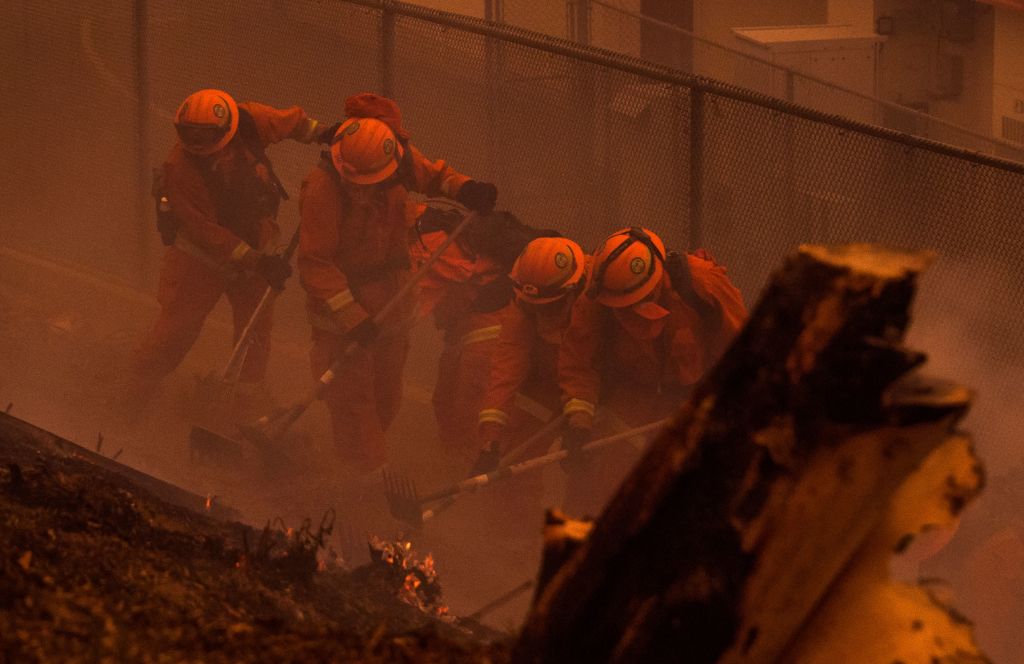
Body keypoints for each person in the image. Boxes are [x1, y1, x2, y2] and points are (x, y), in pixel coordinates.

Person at [297, 93, 497, 474]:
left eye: (367, 182)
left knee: (386, 398)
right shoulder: (323, 189)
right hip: (344, 314)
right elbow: (315, 263)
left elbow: (436, 177)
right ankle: (364, 481)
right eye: (352, 182)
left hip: (393, 305)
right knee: (354, 402)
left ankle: (360, 465)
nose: (359, 189)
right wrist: (352, 317)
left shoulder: (398, 162)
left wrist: (466, 189)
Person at [129, 88, 331, 409]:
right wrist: (259, 262)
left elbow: (292, 124)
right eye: (189, 133)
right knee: (176, 330)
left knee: (254, 333)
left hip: (255, 246)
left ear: (225, 128)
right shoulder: (180, 169)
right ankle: (134, 391)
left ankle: (243, 404)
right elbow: (206, 232)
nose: (196, 141)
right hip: (199, 260)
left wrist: (325, 134)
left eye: (203, 134)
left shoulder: (248, 120)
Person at [557, 226, 747, 514]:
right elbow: (578, 364)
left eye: (632, 306)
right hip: (633, 397)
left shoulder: (703, 285)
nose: (626, 316)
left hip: (697, 399)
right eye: (620, 308)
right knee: (599, 487)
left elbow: (743, 350)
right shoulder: (597, 298)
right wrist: (579, 424)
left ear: (655, 285)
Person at [471, 236, 589, 475]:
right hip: (550, 379)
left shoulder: (598, 301)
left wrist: (580, 424)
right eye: (534, 307)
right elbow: (506, 367)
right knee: (512, 463)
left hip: (611, 389)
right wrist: (490, 439)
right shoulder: (524, 307)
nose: (542, 315)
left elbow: (582, 367)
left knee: (598, 472)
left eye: (549, 306)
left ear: (572, 290)